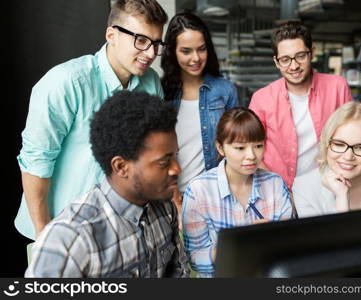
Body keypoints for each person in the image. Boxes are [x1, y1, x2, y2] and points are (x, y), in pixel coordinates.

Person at [16, 0, 168, 240]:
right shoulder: (65, 83)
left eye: (157, 43)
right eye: (141, 41)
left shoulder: (151, 83)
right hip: (61, 229)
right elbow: (36, 162)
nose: (151, 53)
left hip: (118, 230)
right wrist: (45, 234)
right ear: (112, 35)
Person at [25, 91, 189, 278]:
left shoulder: (165, 206)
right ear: (121, 167)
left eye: (175, 156)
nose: (177, 169)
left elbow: (178, 273)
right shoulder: (70, 240)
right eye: (164, 162)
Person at [182, 107, 293, 277]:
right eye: (240, 148)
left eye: (258, 146)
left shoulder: (275, 184)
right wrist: (240, 242)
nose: (251, 156)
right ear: (220, 148)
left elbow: (286, 250)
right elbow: (195, 259)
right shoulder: (199, 190)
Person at [249, 20, 352, 190]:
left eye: (300, 56)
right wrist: (279, 190)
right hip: (277, 189)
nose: (294, 66)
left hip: (328, 187)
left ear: (312, 53)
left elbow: (353, 137)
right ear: (276, 62)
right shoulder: (261, 99)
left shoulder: (337, 87)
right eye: (285, 59)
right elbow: (251, 151)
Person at [161, 12, 238, 217]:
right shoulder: (161, 93)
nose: (195, 58)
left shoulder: (225, 91)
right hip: (172, 199)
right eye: (186, 51)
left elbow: (235, 148)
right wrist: (173, 195)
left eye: (201, 49)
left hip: (216, 198)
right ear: (173, 52)